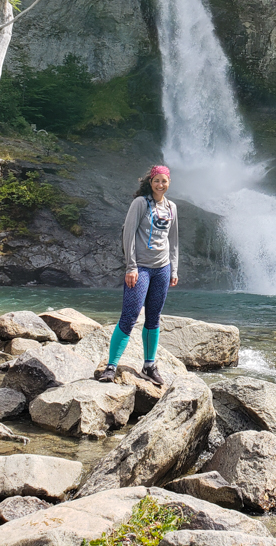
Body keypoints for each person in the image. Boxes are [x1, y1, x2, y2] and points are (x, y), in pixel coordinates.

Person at [98, 164, 178, 386]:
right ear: (150, 182)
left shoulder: (172, 207)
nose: (160, 185)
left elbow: (174, 241)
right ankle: (111, 366)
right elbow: (128, 235)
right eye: (156, 181)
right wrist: (131, 266)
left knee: (154, 317)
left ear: (169, 182)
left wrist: (174, 268)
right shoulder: (140, 203)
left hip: (162, 268)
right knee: (130, 315)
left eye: (164, 181)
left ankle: (149, 366)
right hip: (140, 268)